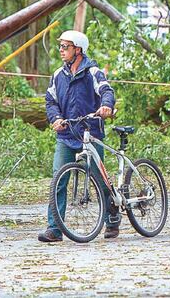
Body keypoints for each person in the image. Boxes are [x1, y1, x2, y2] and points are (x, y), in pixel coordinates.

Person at [37, 30, 119, 243]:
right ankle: (54, 229)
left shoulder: (93, 72)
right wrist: (55, 118)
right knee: (58, 180)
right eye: (60, 47)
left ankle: (112, 218)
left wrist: (106, 106)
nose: (61, 51)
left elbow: (106, 90)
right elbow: (50, 101)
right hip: (66, 134)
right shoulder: (57, 75)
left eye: (66, 47)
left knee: (100, 179)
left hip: (90, 133)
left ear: (78, 50)